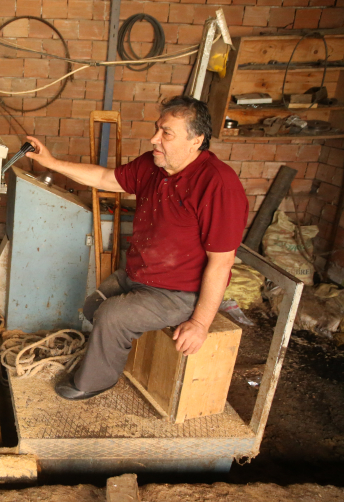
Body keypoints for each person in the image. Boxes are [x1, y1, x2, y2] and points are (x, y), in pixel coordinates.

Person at [25, 96, 249, 400]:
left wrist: (199, 323)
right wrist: (50, 162)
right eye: (157, 129)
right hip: (138, 276)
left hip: (179, 293)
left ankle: (94, 382)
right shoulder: (152, 164)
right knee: (94, 306)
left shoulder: (219, 184)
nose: (154, 139)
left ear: (196, 140)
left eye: (166, 133)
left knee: (113, 316)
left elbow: (221, 263)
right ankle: (116, 346)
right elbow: (105, 178)